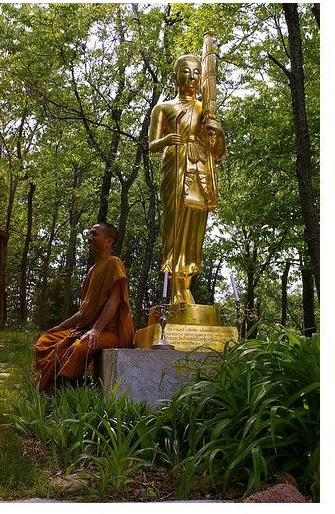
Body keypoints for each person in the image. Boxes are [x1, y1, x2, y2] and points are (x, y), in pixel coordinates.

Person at [149, 54, 226, 303]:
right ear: (176, 76)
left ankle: (187, 286)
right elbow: (151, 144)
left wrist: (216, 131)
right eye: (186, 71)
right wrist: (166, 140)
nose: (191, 77)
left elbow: (218, 150)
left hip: (199, 168)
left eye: (196, 72)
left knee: (195, 227)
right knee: (174, 224)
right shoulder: (163, 108)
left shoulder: (206, 110)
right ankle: (173, 288)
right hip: (175, 165)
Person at [34, 223, 134, 394]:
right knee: (46, 340)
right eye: (89, 234)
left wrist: (96, 329)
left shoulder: (114, 263)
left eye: (95, 234)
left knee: (80, 348)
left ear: (109, 241)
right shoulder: (92, 270)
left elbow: (114, 301)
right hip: (87, 329)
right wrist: (60, 327)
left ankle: (62, 394)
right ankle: (48, 387)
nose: (89, 238)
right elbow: (84, 311)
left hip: (111, 332)